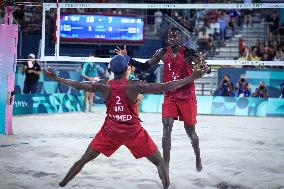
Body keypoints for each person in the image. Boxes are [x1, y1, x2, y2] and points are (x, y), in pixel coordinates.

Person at [43, 54, 210, 189]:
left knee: (84, 159)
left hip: (110, 132)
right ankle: (167, 186)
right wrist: (191, 77)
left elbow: (78, 84)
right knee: (159, 162)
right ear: (126, 69)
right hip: (133, 133)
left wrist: (57, 78)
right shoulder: (134, 86)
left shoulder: (104, 85)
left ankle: (62, 184)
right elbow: (166, 86)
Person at [115, 27, 211, 174]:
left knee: (191, 132)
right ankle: (165, 167)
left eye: (175, 36)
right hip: (170, 95)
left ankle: (198, 157)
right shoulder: (162, 52)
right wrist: (127, 58)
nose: (171, 39)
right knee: (167, 129)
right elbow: (145, 66)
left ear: (180, 38)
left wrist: (205, 66)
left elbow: (205, 68)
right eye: (170, 36)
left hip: (186, 96)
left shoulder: (188, 53)